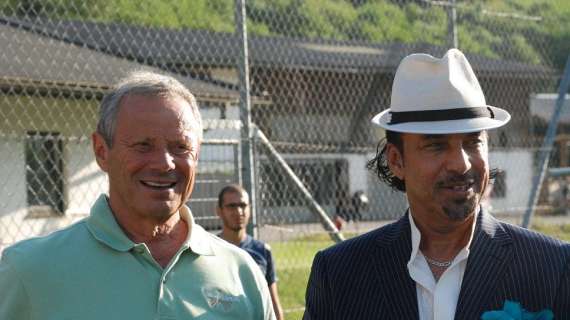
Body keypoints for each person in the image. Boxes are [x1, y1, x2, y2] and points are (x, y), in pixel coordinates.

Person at [303, 49, 570, 319]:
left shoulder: (552, 267)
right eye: (436, 145)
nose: (461, 163)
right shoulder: (339, 275)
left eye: (473, 141)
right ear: (396, 160)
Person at [0, 71, 276, 320]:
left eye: (181, 146)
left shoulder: (242, 274)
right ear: (101, 151)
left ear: (198, 154)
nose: (164, 163)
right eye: (143, 145)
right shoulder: (29, 272)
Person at [217, 184, 285, 320]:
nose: (239, 211)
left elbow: (273, 301)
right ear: (219, 211)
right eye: (231, 206)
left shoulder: (262, 251)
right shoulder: (209, 250)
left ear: (250, 209)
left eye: (243, 205)